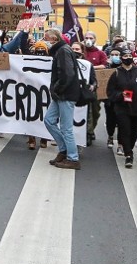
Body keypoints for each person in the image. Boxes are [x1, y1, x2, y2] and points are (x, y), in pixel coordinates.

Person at [42, 28, 82, 169]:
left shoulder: (63, 51)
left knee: (66, 128)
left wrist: (57, 89)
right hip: (61, 94)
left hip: (65, 94)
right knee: (49, 121)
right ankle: (64, 149)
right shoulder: (61, 50)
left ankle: (73, 158)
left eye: (46, 38)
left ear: (53, 39)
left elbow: (67, 74)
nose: (44, 41)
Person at [106, 48, 137, 168]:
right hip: (121, 108)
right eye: (125, 56)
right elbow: (110, 92)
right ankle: (128, 155)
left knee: (133, 132)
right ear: (121, 59)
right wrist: (120, 95)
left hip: (136, 108)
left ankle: (129, 148)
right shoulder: (116, 73)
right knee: (124, 130)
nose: (127, 58)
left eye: (129, 55)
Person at [82, 32, 108, 146]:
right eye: (86, 38)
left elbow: (104, 65)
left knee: (95, 111)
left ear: (95, 39)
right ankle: (86, 132)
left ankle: (91, 129)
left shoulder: (100, 53)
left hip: (95, 87)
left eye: (90, 38)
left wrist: (90, 67)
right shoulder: (82, 52)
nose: (88, 40)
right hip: (82, 87)